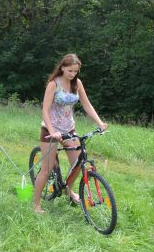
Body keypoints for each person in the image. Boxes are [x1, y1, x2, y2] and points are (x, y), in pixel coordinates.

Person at [32, 53, 108, 214]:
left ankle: (69, 190)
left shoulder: (77, 84)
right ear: (62, 68)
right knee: (47, 169)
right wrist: (52, 131)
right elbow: (45, 110)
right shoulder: (54, 84)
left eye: (76, 71)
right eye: (70, 71)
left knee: (78, 165)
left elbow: (87, 105)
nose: (73, 74)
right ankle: (36, 204)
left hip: (69, 129)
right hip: (50, 130)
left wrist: (100, 123)